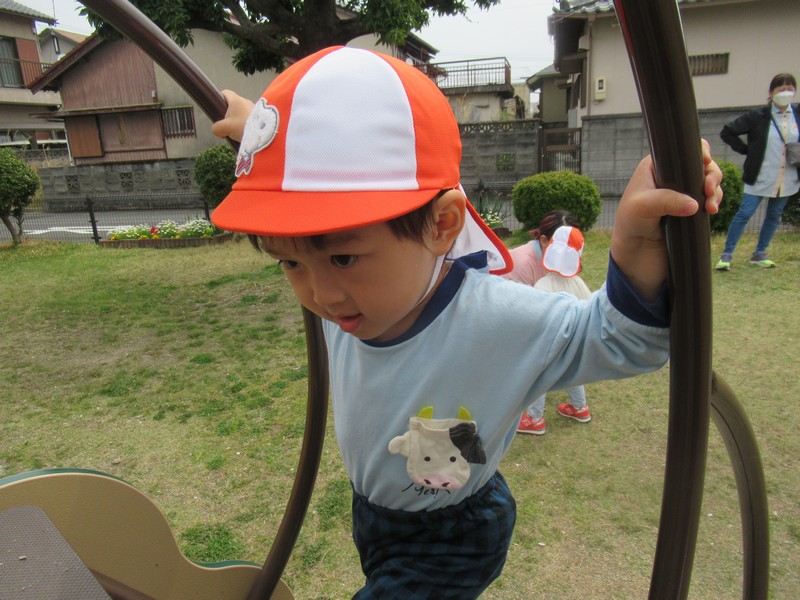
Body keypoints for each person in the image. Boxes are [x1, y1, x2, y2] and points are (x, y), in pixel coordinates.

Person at [210, 46, 722, 599]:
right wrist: (262, 140)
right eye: (289, 263)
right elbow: (303, 216)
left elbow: (622, 340)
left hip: (451, 537)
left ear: (442, 225)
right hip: (376, 513)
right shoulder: (353, 299)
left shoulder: (497, 317)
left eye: (343, 257)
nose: (320, 294)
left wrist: (637, 245)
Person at [508, 218, 593, 435]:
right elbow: (589, 309)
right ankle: (580, 407)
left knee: (539, 379)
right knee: (573, 373)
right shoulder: (578, 283)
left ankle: (535, 419)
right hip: (573, 342)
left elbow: (536, 318)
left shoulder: (543, 285)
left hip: (549, 345)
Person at [716, 73, 799, 270]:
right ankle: (727, 254)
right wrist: (747, 150)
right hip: (760, 174)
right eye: (781, 89)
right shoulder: (758, 115)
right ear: (771, 93)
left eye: (790, 89)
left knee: (774, 215)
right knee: (745, 213)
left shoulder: (797, 114)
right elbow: (727, 132)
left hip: (787, 176)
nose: (786, 93)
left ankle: (760, 252)